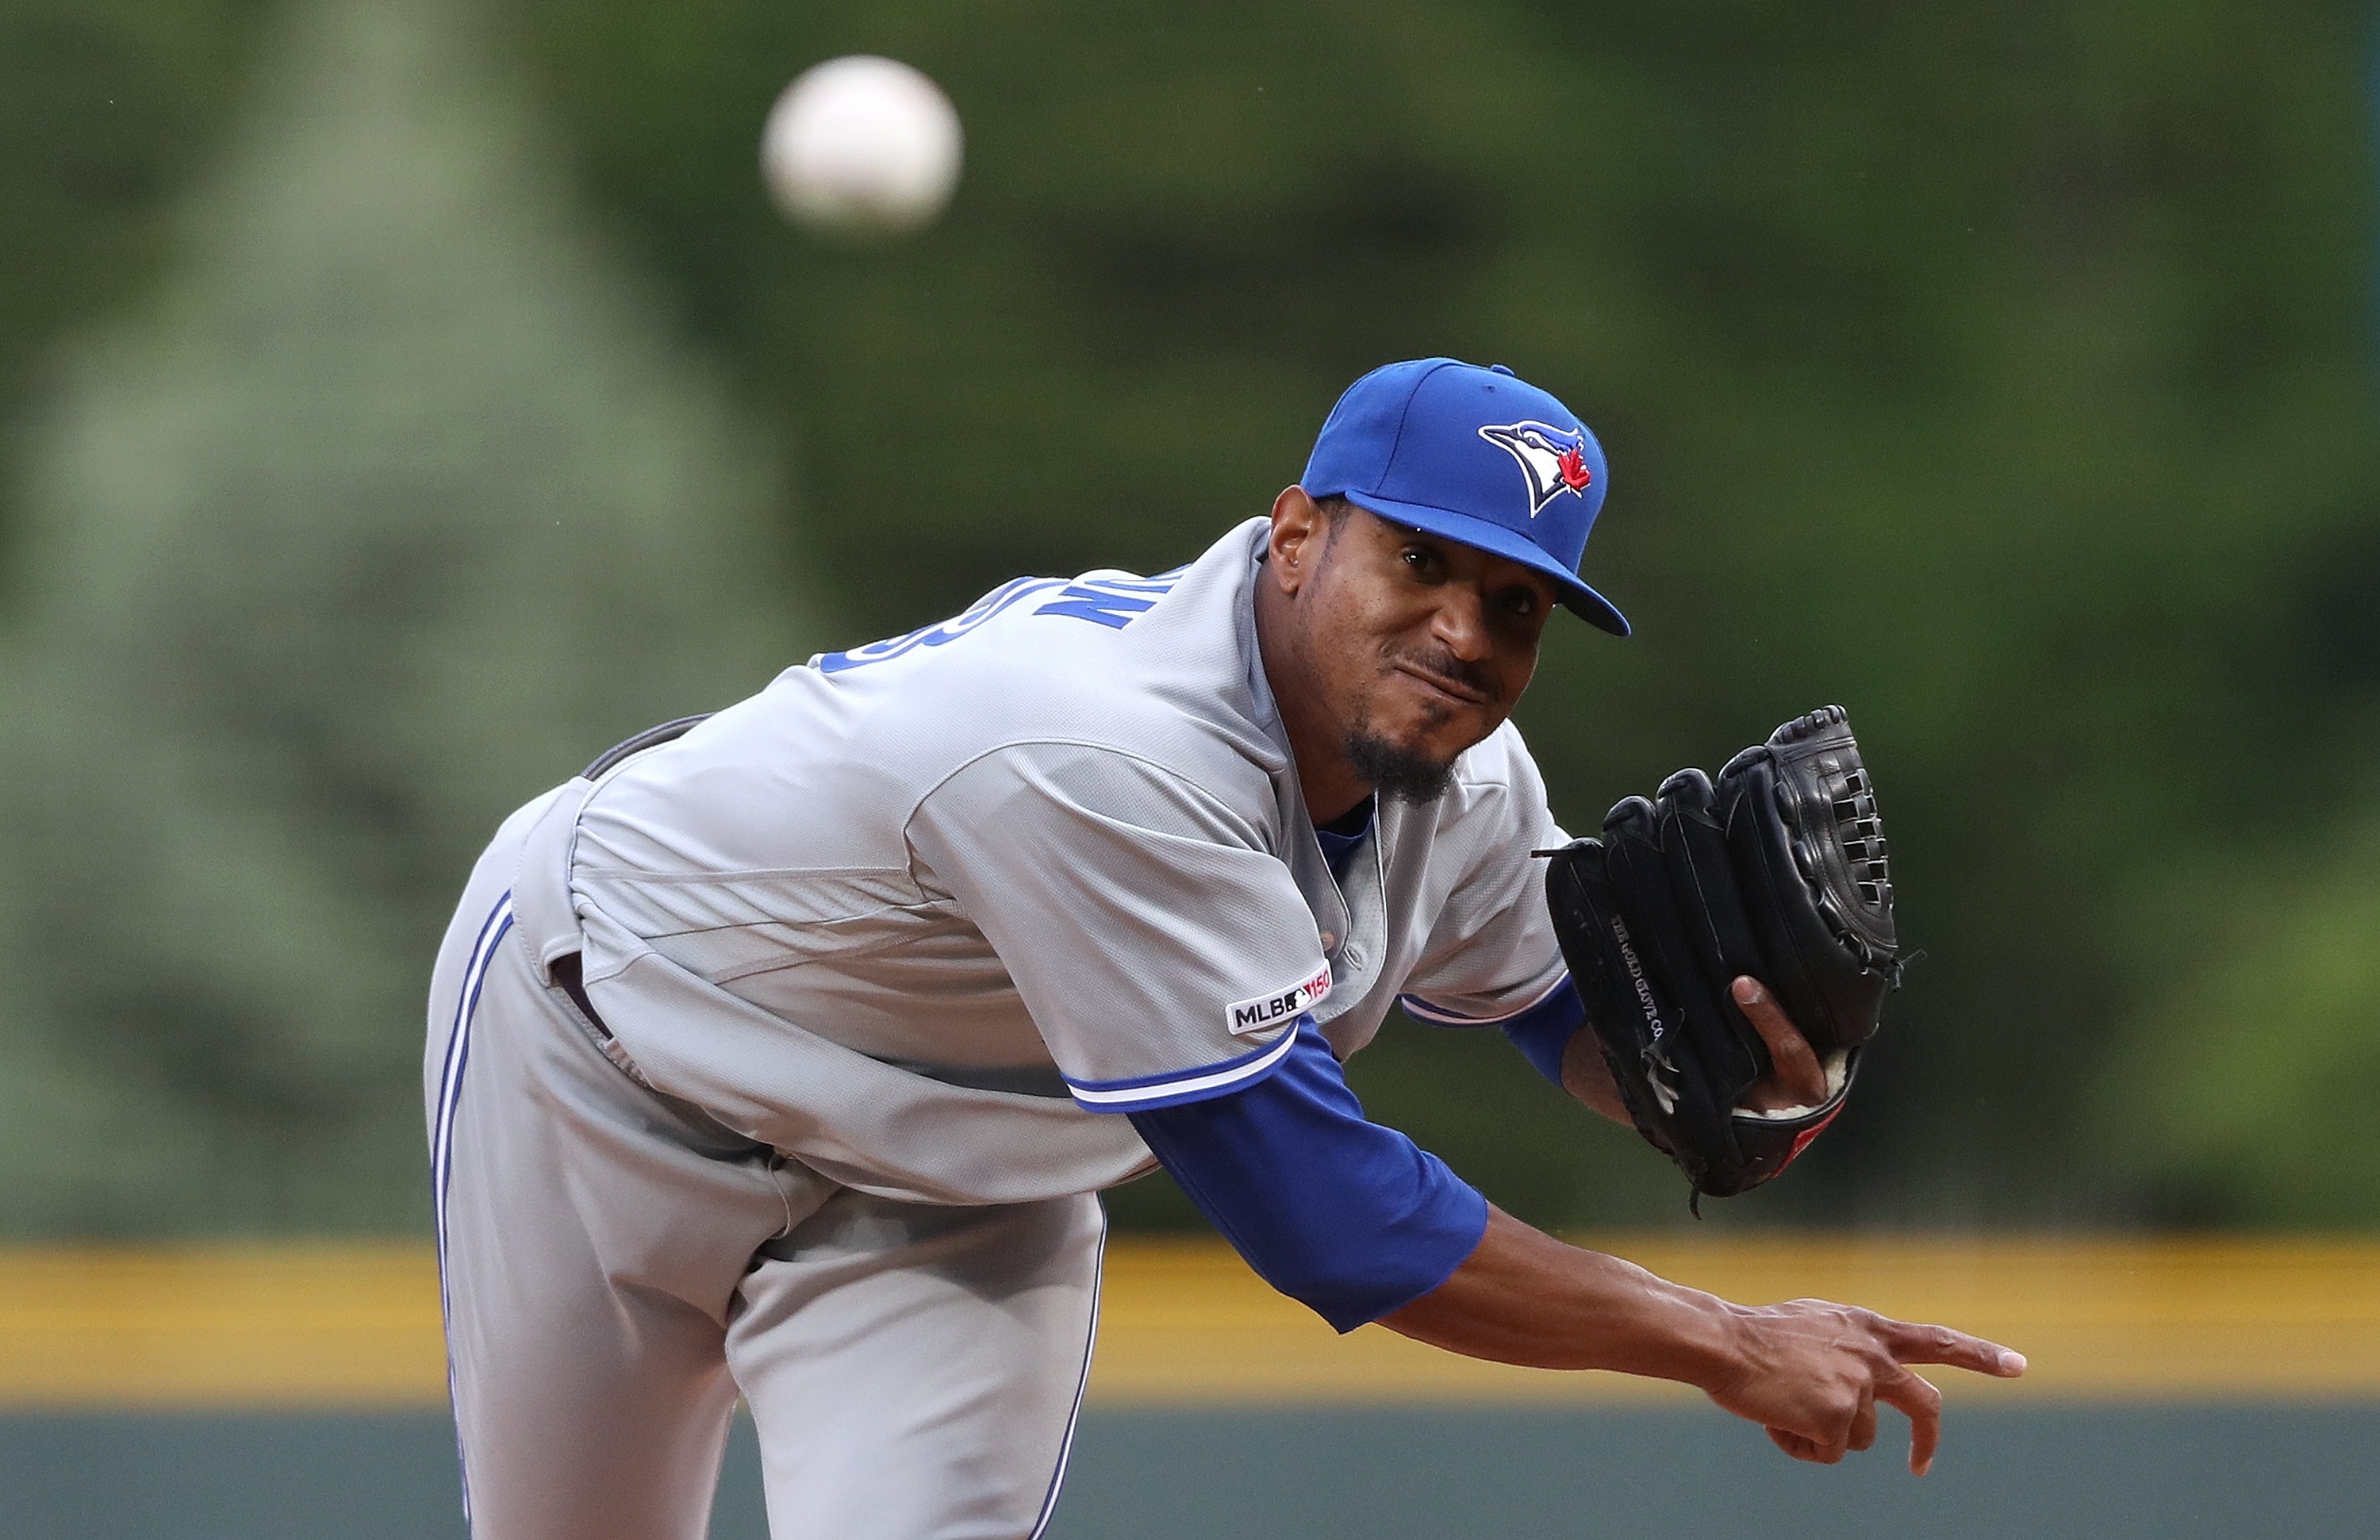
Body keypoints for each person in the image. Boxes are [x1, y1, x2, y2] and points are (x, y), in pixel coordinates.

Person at [426, 357, 2024, 1540]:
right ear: (1295, 534)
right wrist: (1725, 1341)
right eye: (1424, 562)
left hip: (961, 1182)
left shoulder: (1459, 781)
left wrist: (1762, 1098)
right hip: (608, 1047)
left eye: (1519, 605)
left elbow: (1586, 1029)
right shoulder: (1104, 753)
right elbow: (1329, 1216)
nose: (1468, 633)